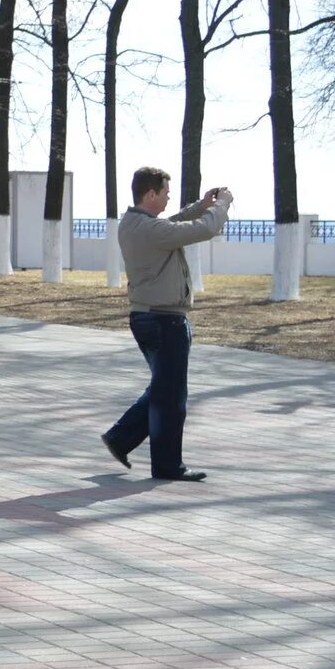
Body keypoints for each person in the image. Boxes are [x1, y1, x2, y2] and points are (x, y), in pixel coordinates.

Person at [103, 166, 231, 483]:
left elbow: (173, 222)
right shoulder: (151, 231)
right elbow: (202, 230)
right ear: (150, 195)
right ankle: (167, 465)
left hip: (150, 316)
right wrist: (221, 206)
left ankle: (120, 438)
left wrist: (200, 206)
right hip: (163, 320)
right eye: (165, 192)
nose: (168, 197)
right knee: (171, 398)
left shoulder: (135, 223)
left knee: (163, 389)